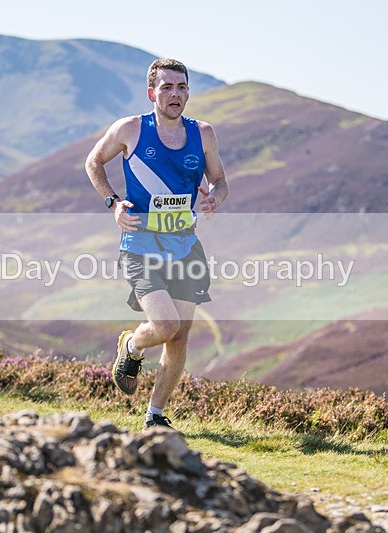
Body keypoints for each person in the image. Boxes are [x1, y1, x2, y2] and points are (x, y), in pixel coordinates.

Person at [85, 59, 228, 430]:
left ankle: (155, 415)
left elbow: (220, 181)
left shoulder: (204, 134)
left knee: (179, 337)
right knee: (165, 325)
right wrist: (113, 202)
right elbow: (94, 162)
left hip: (185, 247)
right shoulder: (130, 129)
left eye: (181, 87)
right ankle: (132, 346)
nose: (175, 94)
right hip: (140, 245)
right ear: (152, 93)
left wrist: (214, 197)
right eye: (167, 87)